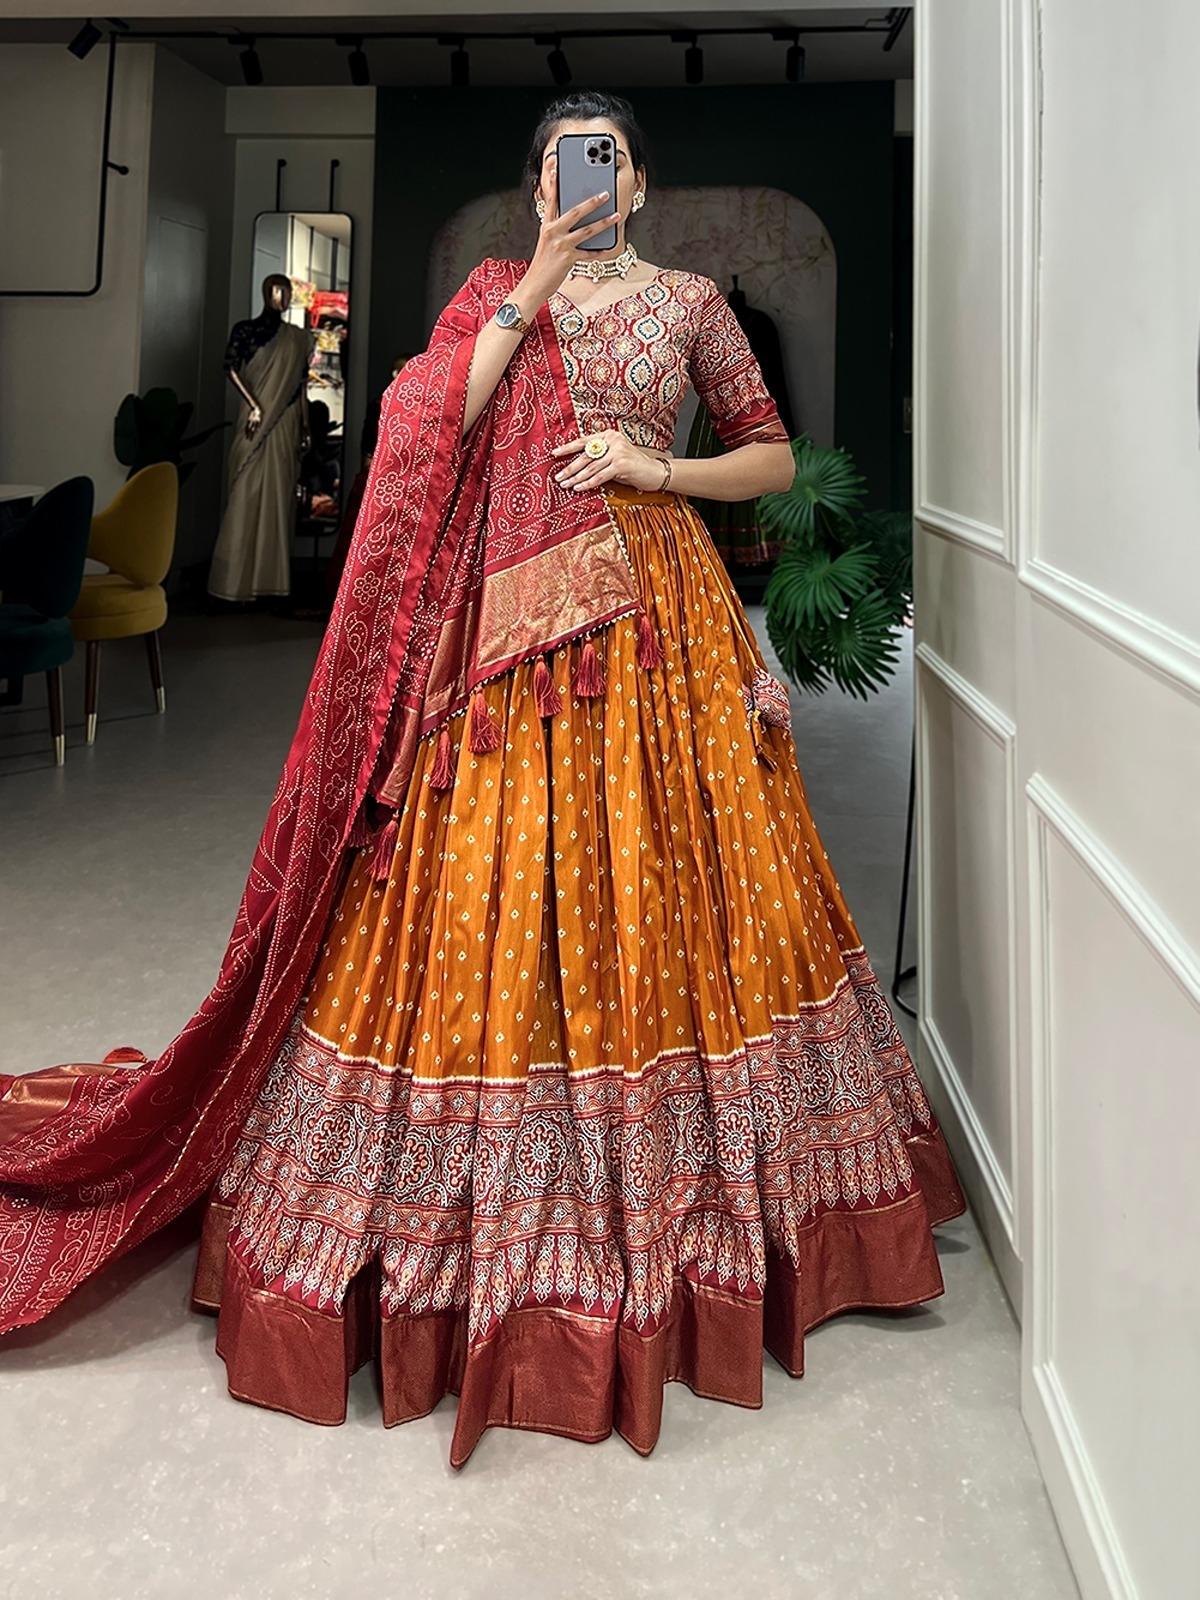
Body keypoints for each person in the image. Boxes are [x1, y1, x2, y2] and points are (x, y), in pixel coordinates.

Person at [0, 92, 965, 1468]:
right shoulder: (501, 294)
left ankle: (702, 1205)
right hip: (504, 640)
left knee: (676, 883)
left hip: (660, 622)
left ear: (642, 181)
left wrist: (653, 464)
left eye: (609, 159)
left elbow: (771, 457)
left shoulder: (694, 302)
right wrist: (539, 285)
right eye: (567, 164)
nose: (590, 178)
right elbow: (424, 422)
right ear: (540, 189)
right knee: (480, 890)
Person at [207, 273, 310, 605]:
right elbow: (230, 368)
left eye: (287, 292)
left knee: (278, 498)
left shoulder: (298, 338)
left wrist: (305, 426)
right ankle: (231, 584)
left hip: (285, 421)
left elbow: (301, 385)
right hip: (254, 421)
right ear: (265, 294)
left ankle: (272, 582)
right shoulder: (245, 330)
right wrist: (254, 406)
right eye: (277, 291)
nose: (282, 297)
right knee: (244, 493)